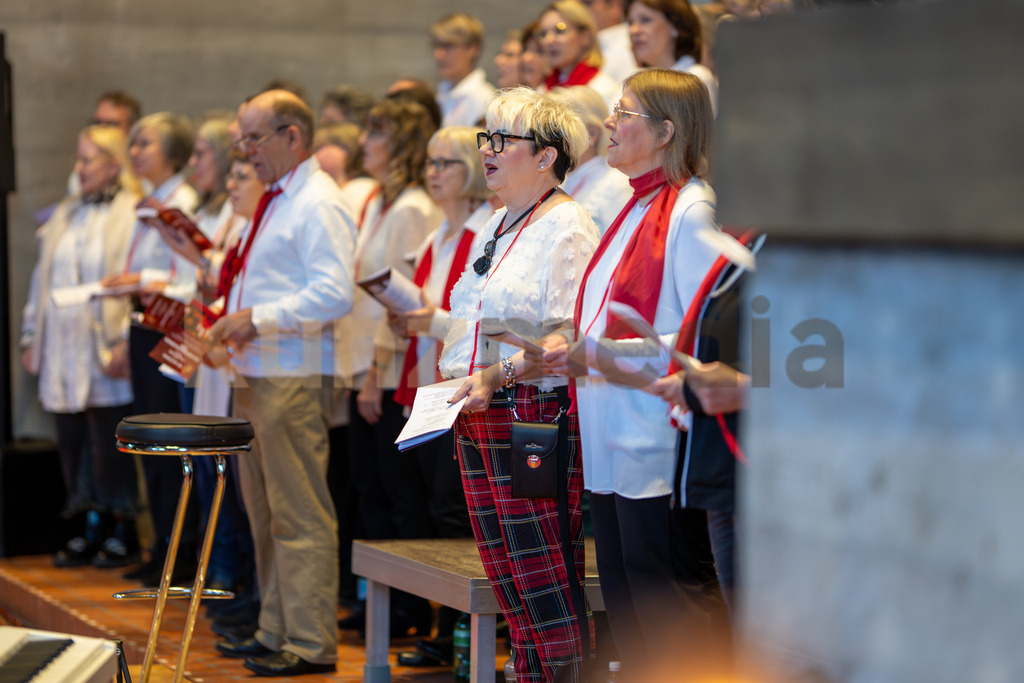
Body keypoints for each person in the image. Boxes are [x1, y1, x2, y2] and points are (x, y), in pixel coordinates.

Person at [538, 68, 726, 681]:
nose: (609, 124)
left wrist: (597, 354)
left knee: (665, 595)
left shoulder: (691, 210)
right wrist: (573, 345)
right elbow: (603, 316)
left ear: (666, 131)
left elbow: (706, 337)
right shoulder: (636, 204)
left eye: (625, 113)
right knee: (625, 591)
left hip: (655, 431)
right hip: (611, 430)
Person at [437, 86, 599, 683]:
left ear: (546, 156)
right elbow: (474, 321)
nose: (488, 150)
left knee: (544, 579)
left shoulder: (568, 224)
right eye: (487, 137)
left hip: (533, 411)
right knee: (506, 576)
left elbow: (566, 339)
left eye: (503, 139)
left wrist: (496, 373)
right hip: (480, 408)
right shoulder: (498, 222)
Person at [207, 89, 356, 677]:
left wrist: (257, 318)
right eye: (241, 139)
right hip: (257, 370)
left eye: (254, 138)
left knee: (298, 512)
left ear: (293, 136)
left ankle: (311, 641)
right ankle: (276, 628)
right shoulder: (277, 198)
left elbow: (334, 293)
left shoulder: (317, 200)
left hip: (291, 374)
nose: (245, 151)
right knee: (265, 512)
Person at [336, 97, 442, 638]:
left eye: (375, 134)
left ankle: (408, 607)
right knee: (370, 488)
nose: (363, 142)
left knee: (396, 493)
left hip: (395, 370)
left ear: (399, 144)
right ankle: (383, 601)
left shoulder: (411, 209)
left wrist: (375, 377)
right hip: (367, 365)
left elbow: (397, 303)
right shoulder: (382, 200)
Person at [389, 125, 493, 667]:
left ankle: (464, 632)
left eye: (445, 163)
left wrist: (427, 320)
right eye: (428, 162)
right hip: (428, 390)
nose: (432, 173)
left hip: (461, 395)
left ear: (472, 169)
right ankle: (443, 627)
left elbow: (483, 323)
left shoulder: (483, 234)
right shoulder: (437, 236)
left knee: (455, 516)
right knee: (428, 511)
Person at [21, 125, 142, 569]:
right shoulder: (66, 211)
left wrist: (126, 340)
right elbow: (42, 279)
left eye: (88, 159)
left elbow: (135, 282)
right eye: (79, 158)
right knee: (71, 436)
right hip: (63, 342)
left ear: (113, 164)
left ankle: (122, 524)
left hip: (103, 341)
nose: (79, 167)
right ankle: (88, 521)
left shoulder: (131, 211)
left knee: (107, 437)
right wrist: (30, 336)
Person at [103, 112, 201, 587]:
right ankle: (162, 548)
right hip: (147, 324)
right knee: (150, 442)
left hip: (174, 329)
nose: (135, 151)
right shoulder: (149, 201)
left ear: (174, 152)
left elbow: (189, 275)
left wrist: (139, 280)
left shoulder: (183, 202)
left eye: (146, 143)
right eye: (135, 143)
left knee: (169, 442)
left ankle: (180, 555)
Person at [548, 86, 632, 235]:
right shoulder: (559, 180)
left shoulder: (616, 187)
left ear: (592, 134)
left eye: (555, 130)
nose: (544, 140)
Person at [628, 0, 719, 115]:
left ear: (674, 25)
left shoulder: (696, 79)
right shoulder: (633, 82)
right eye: (630, 23)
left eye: (645, 20)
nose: (633, 30)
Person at [538, 0, 620, 110]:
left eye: (559, 30)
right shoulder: (543, 90)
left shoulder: (603, 89)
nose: (549, 40)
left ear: (585, 36)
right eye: (543, 33)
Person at [431, 12, 496, 127]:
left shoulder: (483, 100)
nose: (438, 55)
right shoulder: (442, 93)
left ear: (472, 48)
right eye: (436, 46)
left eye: (448, 46)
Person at [312, 122, 378, 218]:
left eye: (318, 148)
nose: (313, 156)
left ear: (344, 150)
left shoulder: (359, 189)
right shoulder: (345, 189)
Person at [583, 0, 640, 84]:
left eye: (587, 3)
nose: (580, 10)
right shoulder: (585, 45)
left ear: (614, 5)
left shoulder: (631, 43)